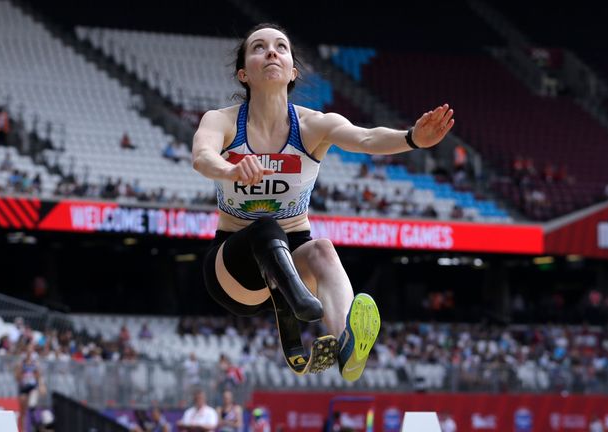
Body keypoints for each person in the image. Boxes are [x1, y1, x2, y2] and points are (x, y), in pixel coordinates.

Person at [192, 23, 454, 381]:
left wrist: (411, 138)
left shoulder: (313, 125)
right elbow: (202, 157)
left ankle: (346, 344)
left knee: (324, 249)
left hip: (295, 259)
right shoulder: (221, 121)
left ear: (293, 70)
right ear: (243, 73)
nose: (271, 52)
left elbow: (365, 138)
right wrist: (229, 169)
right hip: (234, 271)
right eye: (259, 47)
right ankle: (297, 303)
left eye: (281, 47)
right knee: (265, 227)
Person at [14, 344, 45, 432]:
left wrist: (42, 386)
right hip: (23, 387)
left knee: (32, 405)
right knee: (22, 411)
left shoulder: (35, 363)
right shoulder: (22, 363)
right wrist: (19, 370)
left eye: (31, 351)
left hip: (32, 387)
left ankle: (36, 427)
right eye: (28, 351)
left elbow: (39, 376)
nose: (29, 353)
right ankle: (22, 430)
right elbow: (17, 377)